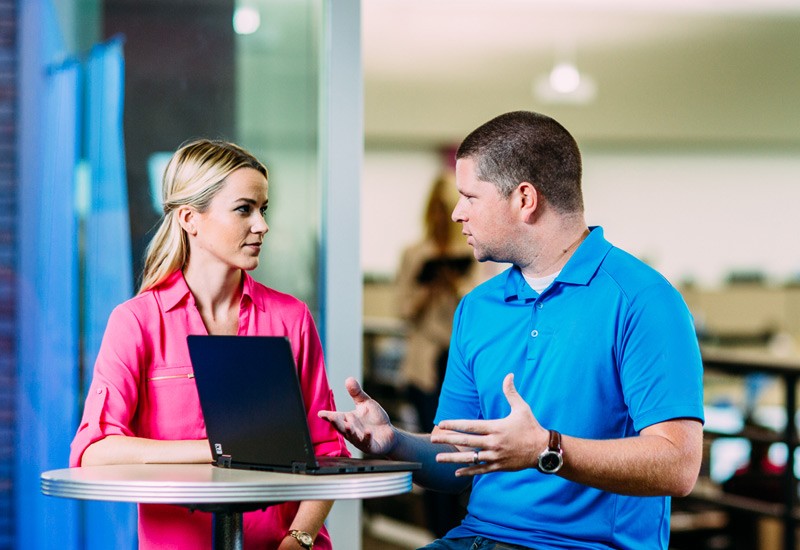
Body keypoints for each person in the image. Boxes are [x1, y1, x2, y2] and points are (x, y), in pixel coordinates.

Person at [320, 111, 705, 550]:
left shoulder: (644, 300)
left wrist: (547, 447)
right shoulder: (477, 309)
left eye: (470, 196)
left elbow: (679, 465)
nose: (456, 213)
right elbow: (457, 461)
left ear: (525, 199)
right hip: (478, 538)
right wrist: (394, 443)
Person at [70, 139, 349, 550]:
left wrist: (299, 538)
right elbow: (94, 451)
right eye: (244, 209)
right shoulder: (136, 322)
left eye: (263, 209)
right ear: (189, 218)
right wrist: (219, 449)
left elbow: (328, 450)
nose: (262, 225)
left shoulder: (291, 319)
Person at [395, 173, 477, 536]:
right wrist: (428, 288)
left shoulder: (473, 252)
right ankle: (437, 534)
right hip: (425, 365)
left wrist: (454, 284)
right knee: (435, 449)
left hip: (458, 362)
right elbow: (402, 309)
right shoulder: (415, 254)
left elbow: (478, 307)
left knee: (465, 453)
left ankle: (461, 531)